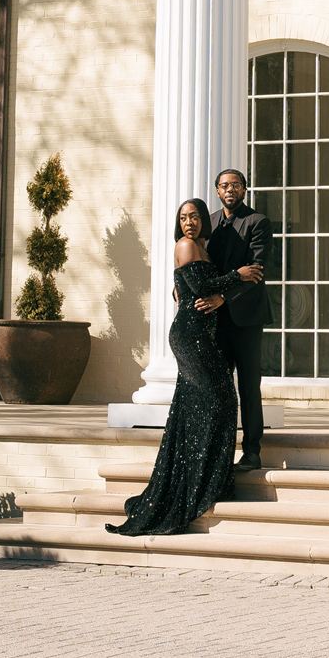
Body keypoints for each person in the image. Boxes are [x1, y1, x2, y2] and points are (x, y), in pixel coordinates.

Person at [106, 198, 264, 538]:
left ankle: (206, 479)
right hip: (190, 335)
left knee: (205, 404)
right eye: (183, 217)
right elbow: (201, 288)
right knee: (219, 399)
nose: (188, 222)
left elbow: (189, 286)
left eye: (193, 216)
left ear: (203, 219)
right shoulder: (185, 245)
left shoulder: (204, 247)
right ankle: (202, 481)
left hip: (204, 335)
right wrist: (237, 276)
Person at [197, 167, 271, 471]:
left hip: (247, 319)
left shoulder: (257, 223)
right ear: (217, 191)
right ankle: (220, 451)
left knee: (249, 387)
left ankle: (252, 451)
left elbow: (256, 271)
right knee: (220, 387)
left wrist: (223, 297)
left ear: (244, 189)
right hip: (215, 320)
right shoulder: (208, 224)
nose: (230, 190)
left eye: (236, 185)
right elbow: (199, 266)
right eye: (225, 185)